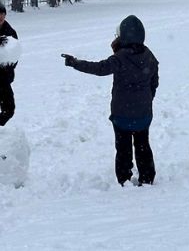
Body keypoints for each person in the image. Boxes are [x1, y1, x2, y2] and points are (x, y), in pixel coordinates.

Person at [62, 15, 159, 186]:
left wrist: (75, 63)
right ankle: (147, 177)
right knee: (143, 145)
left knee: (123, 149)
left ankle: (124, 179)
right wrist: (146, 100)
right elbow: (154, 83)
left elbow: (99, 68)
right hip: (143, 113)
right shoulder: (149, 55)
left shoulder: (120, 57)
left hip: (122, 114)